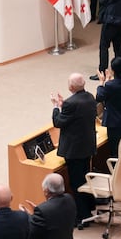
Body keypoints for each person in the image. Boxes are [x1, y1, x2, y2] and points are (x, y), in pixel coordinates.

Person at [51, 73, 97, 226]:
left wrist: (57, 107)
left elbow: (58, 122)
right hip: (87, 145)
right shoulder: (90, 97)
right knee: (85, 177)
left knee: (77, 183)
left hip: (75, 149)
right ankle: (90, 206)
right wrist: (65, 105)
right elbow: (76, 114)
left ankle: (82, 215)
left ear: (71, 87)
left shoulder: (70, 104)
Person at [21, 174, 76, 239]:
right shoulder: (70, 199)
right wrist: (37, 214)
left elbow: (32, 233)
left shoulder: (43, 210)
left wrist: (28, 216)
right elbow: (54, 218)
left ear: (46, 191)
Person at [96, 57, 121, 157]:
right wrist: (108, 81)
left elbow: (99, 96)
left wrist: (101, 82)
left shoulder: (110, 85)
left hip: (114, 122)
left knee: (116, 150)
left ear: (113, 70)